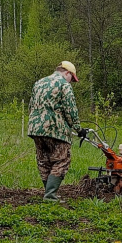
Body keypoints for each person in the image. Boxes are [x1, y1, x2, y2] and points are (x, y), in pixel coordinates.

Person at [27, 61, 87, 201]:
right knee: (62, 159)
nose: (71, 82)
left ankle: (48, 192)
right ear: (67, 73)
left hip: (35, 129)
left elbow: (31, 106)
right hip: (55, 129)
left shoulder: (39, 83)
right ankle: (50, 195)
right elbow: (70, 109)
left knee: (44, 160)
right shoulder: (64, 85)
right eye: (72, 78)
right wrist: (78, 129)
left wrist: (36, 123)